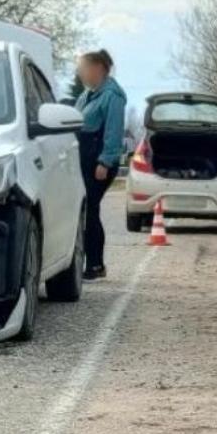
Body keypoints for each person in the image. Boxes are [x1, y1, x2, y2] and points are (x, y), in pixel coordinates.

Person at [73, 49, 126, 280]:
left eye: (83, 68)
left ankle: (95, 264)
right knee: (85, 210)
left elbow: (113, 132)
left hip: (98, 162)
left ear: (98, 68)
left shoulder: (112, 96)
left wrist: (105, 161)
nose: (80, 73)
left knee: (90, 210)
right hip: (83, 159)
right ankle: (86, 262)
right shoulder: (88, 95)